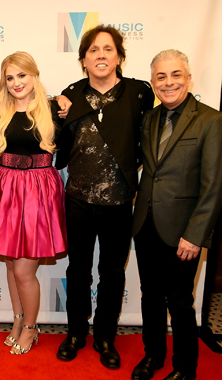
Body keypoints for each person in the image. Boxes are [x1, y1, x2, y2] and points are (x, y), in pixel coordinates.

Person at [55, 25, 155, 369]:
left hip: (119, 202)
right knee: (78, 269)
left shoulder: (140, 94)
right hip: (78, 200)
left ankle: (105, 337)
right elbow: (58, 143)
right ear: (83, 59)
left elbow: (147, 143)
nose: (100, 55)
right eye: (93, 50)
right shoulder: (70, 95)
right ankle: (76, 334)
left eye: (107, 49)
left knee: (112, 273)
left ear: (119, 57)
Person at [131, 49, 222, 380]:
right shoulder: (149, 119)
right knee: (150, 297)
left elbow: (214, 186)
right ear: (153, 82)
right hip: (145, 224)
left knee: (181, 303)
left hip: (183, 231)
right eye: (161, 77)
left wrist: (195, 235)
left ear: (188, 77)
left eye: (175, 75)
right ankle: (153, 356)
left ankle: (186, 368)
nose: (168, 83)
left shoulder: (211, 121)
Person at [0, 52, 67, 355]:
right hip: (8, 192)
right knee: (10, 265)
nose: (16, 82)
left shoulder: (53, 109)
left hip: (37, 194)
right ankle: (18, 320)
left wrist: (65, 98)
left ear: (34, 75)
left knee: (23, 271)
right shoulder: (1, 112)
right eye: (10, 77)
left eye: (22, 75)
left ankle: (32, 329)